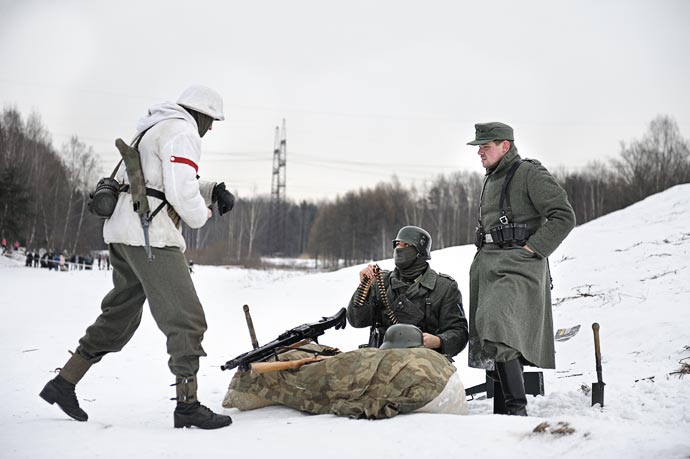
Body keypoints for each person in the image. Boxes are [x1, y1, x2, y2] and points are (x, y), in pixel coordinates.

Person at [40, 85, 236, 430]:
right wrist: (201, 214)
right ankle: (187, 407)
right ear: (201, 114)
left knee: (120, 317)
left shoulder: (153, 128)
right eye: (212, 120)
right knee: (186, 318)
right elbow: (179, 189)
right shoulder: (184, 131)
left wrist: (212, 188)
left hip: (124, 232)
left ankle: (64, 382)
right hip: (152, 236)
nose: (212, 128)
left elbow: (157, 179)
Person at [466, 122, 576, 416]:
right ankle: (503, 413)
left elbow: (563, 216)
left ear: (505, 146)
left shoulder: (529, 173)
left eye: (485, 146)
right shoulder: (491, 178)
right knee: (490, 333)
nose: (479, 152)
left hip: (518, 265)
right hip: (488, 263)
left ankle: (517, 410)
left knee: (498, 325)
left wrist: (534, 249)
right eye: (478, 147)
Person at [346, 225, 468, 358]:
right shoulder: (382, 281)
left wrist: (438, 341)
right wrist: (363, 288)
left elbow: (459, 332)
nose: (399, 249)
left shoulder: (444, 287)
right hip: (382, 361)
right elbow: (356, 320)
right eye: (397, 244)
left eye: (405, 245)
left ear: (419, 251)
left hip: (426, 365)